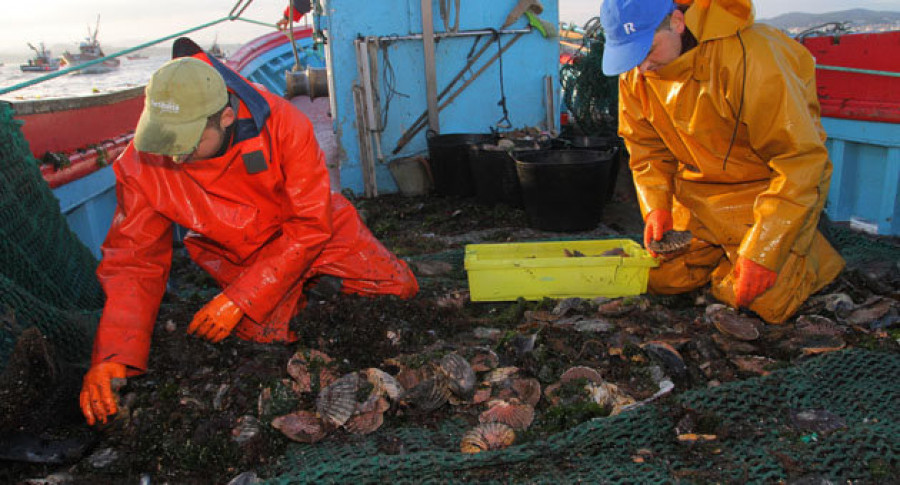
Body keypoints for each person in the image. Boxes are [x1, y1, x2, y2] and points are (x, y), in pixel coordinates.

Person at [79, 38, 418, 426]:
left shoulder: (284, 122)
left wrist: (237, 300)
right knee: (268, 342)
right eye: (164, 141)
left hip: (314, 231)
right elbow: (133, 263)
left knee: (398, 289)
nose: (173, 155)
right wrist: (113, 356)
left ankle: (312, 287)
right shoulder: (142, 163)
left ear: (225, 118)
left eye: (187, 143)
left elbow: (310, 225)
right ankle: (299, 297)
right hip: (237, 253)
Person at [600, 0, 844, 324]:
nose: (641, 66)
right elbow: (645, 148)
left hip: (762, 197)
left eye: (647, 48)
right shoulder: (637, 69)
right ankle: (726, 255)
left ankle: (806, 252)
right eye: (630, 54)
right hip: (696, 201)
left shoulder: (752, 56)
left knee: (762, 302)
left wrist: (764, 252)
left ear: (676, 22)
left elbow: (800, 161)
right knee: (658, 278)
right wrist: (656, 206)